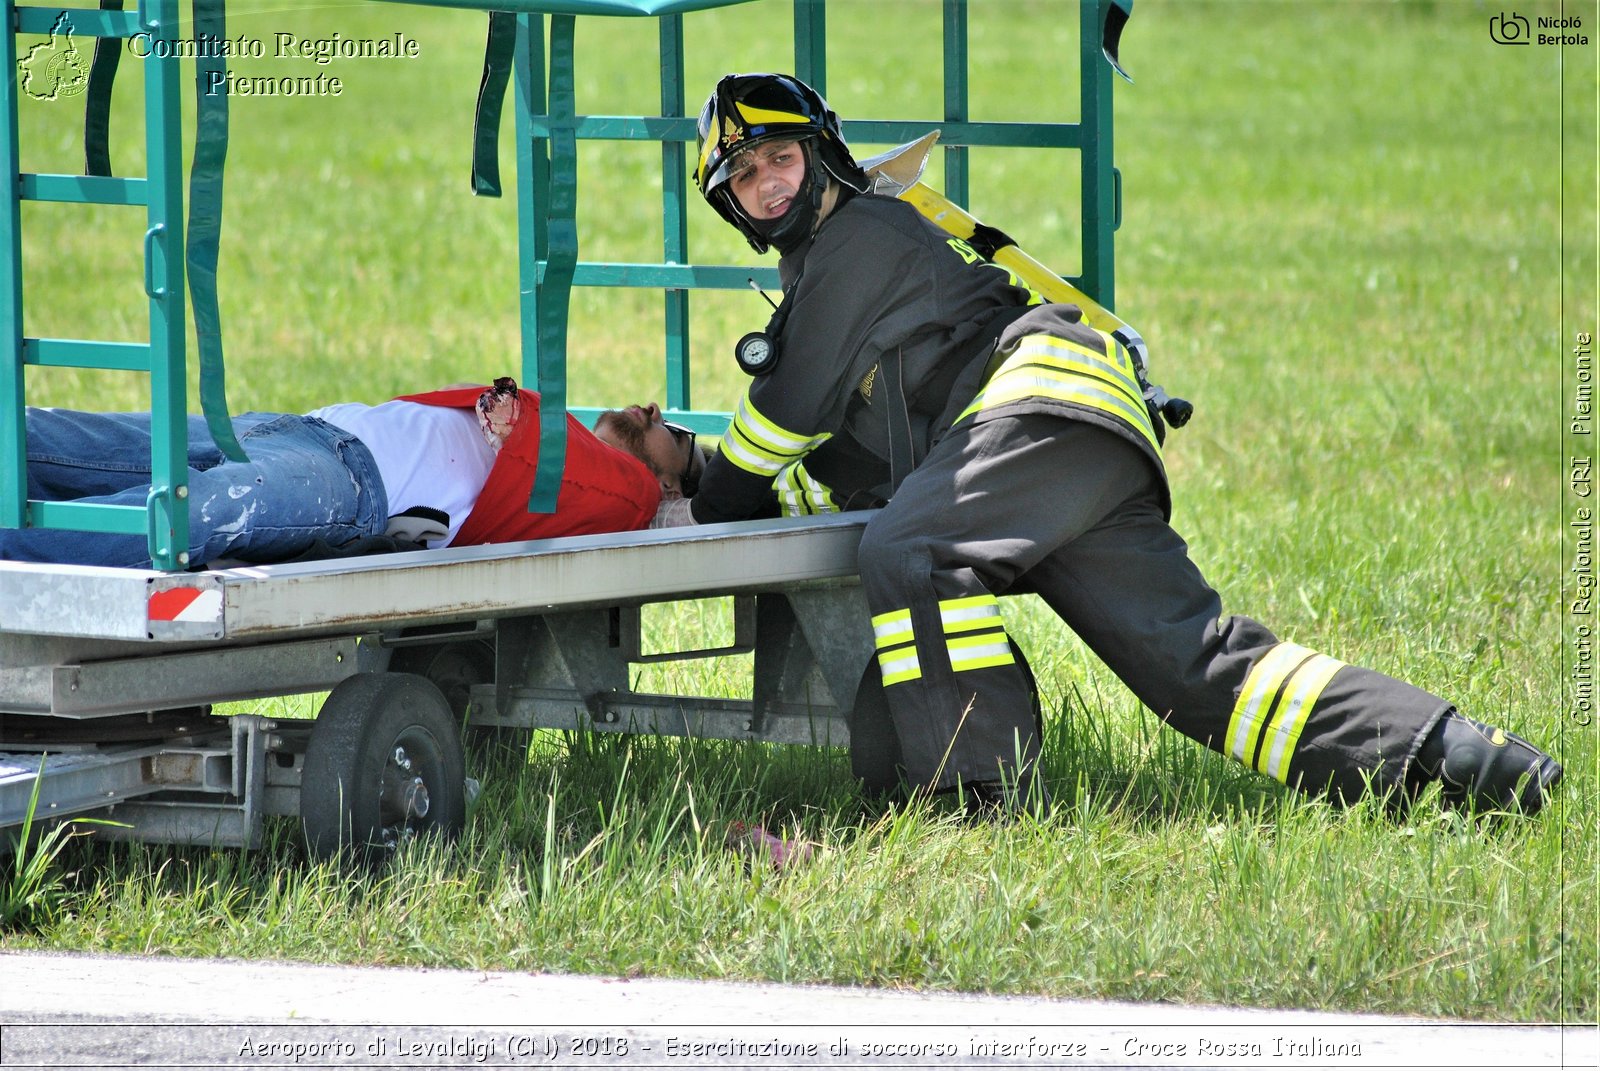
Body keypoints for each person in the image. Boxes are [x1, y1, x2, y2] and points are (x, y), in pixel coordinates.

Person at [657, 71, 1562, 816]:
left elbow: (782, 418)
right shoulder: (843, 258)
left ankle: (973, 805)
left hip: (1035, 411)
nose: (770, 181)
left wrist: (693, 490)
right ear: (728, 202)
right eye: (745, 175)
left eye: (782, 156)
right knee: (1197, 669)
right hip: (1072, 435)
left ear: (825, 158)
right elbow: (848, 466)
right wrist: (707, 471)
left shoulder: (860, 233)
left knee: (913, 551)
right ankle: (1459, 759)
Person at [4, 378, 704, 570]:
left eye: (675, 435)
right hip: (305, 428)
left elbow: (624, 499)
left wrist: (672, 513)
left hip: (348, 480)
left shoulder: (630, 493)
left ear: (669, 487)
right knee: (64, 440)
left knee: (186, 512)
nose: (652, 409)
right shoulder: (575, 448)